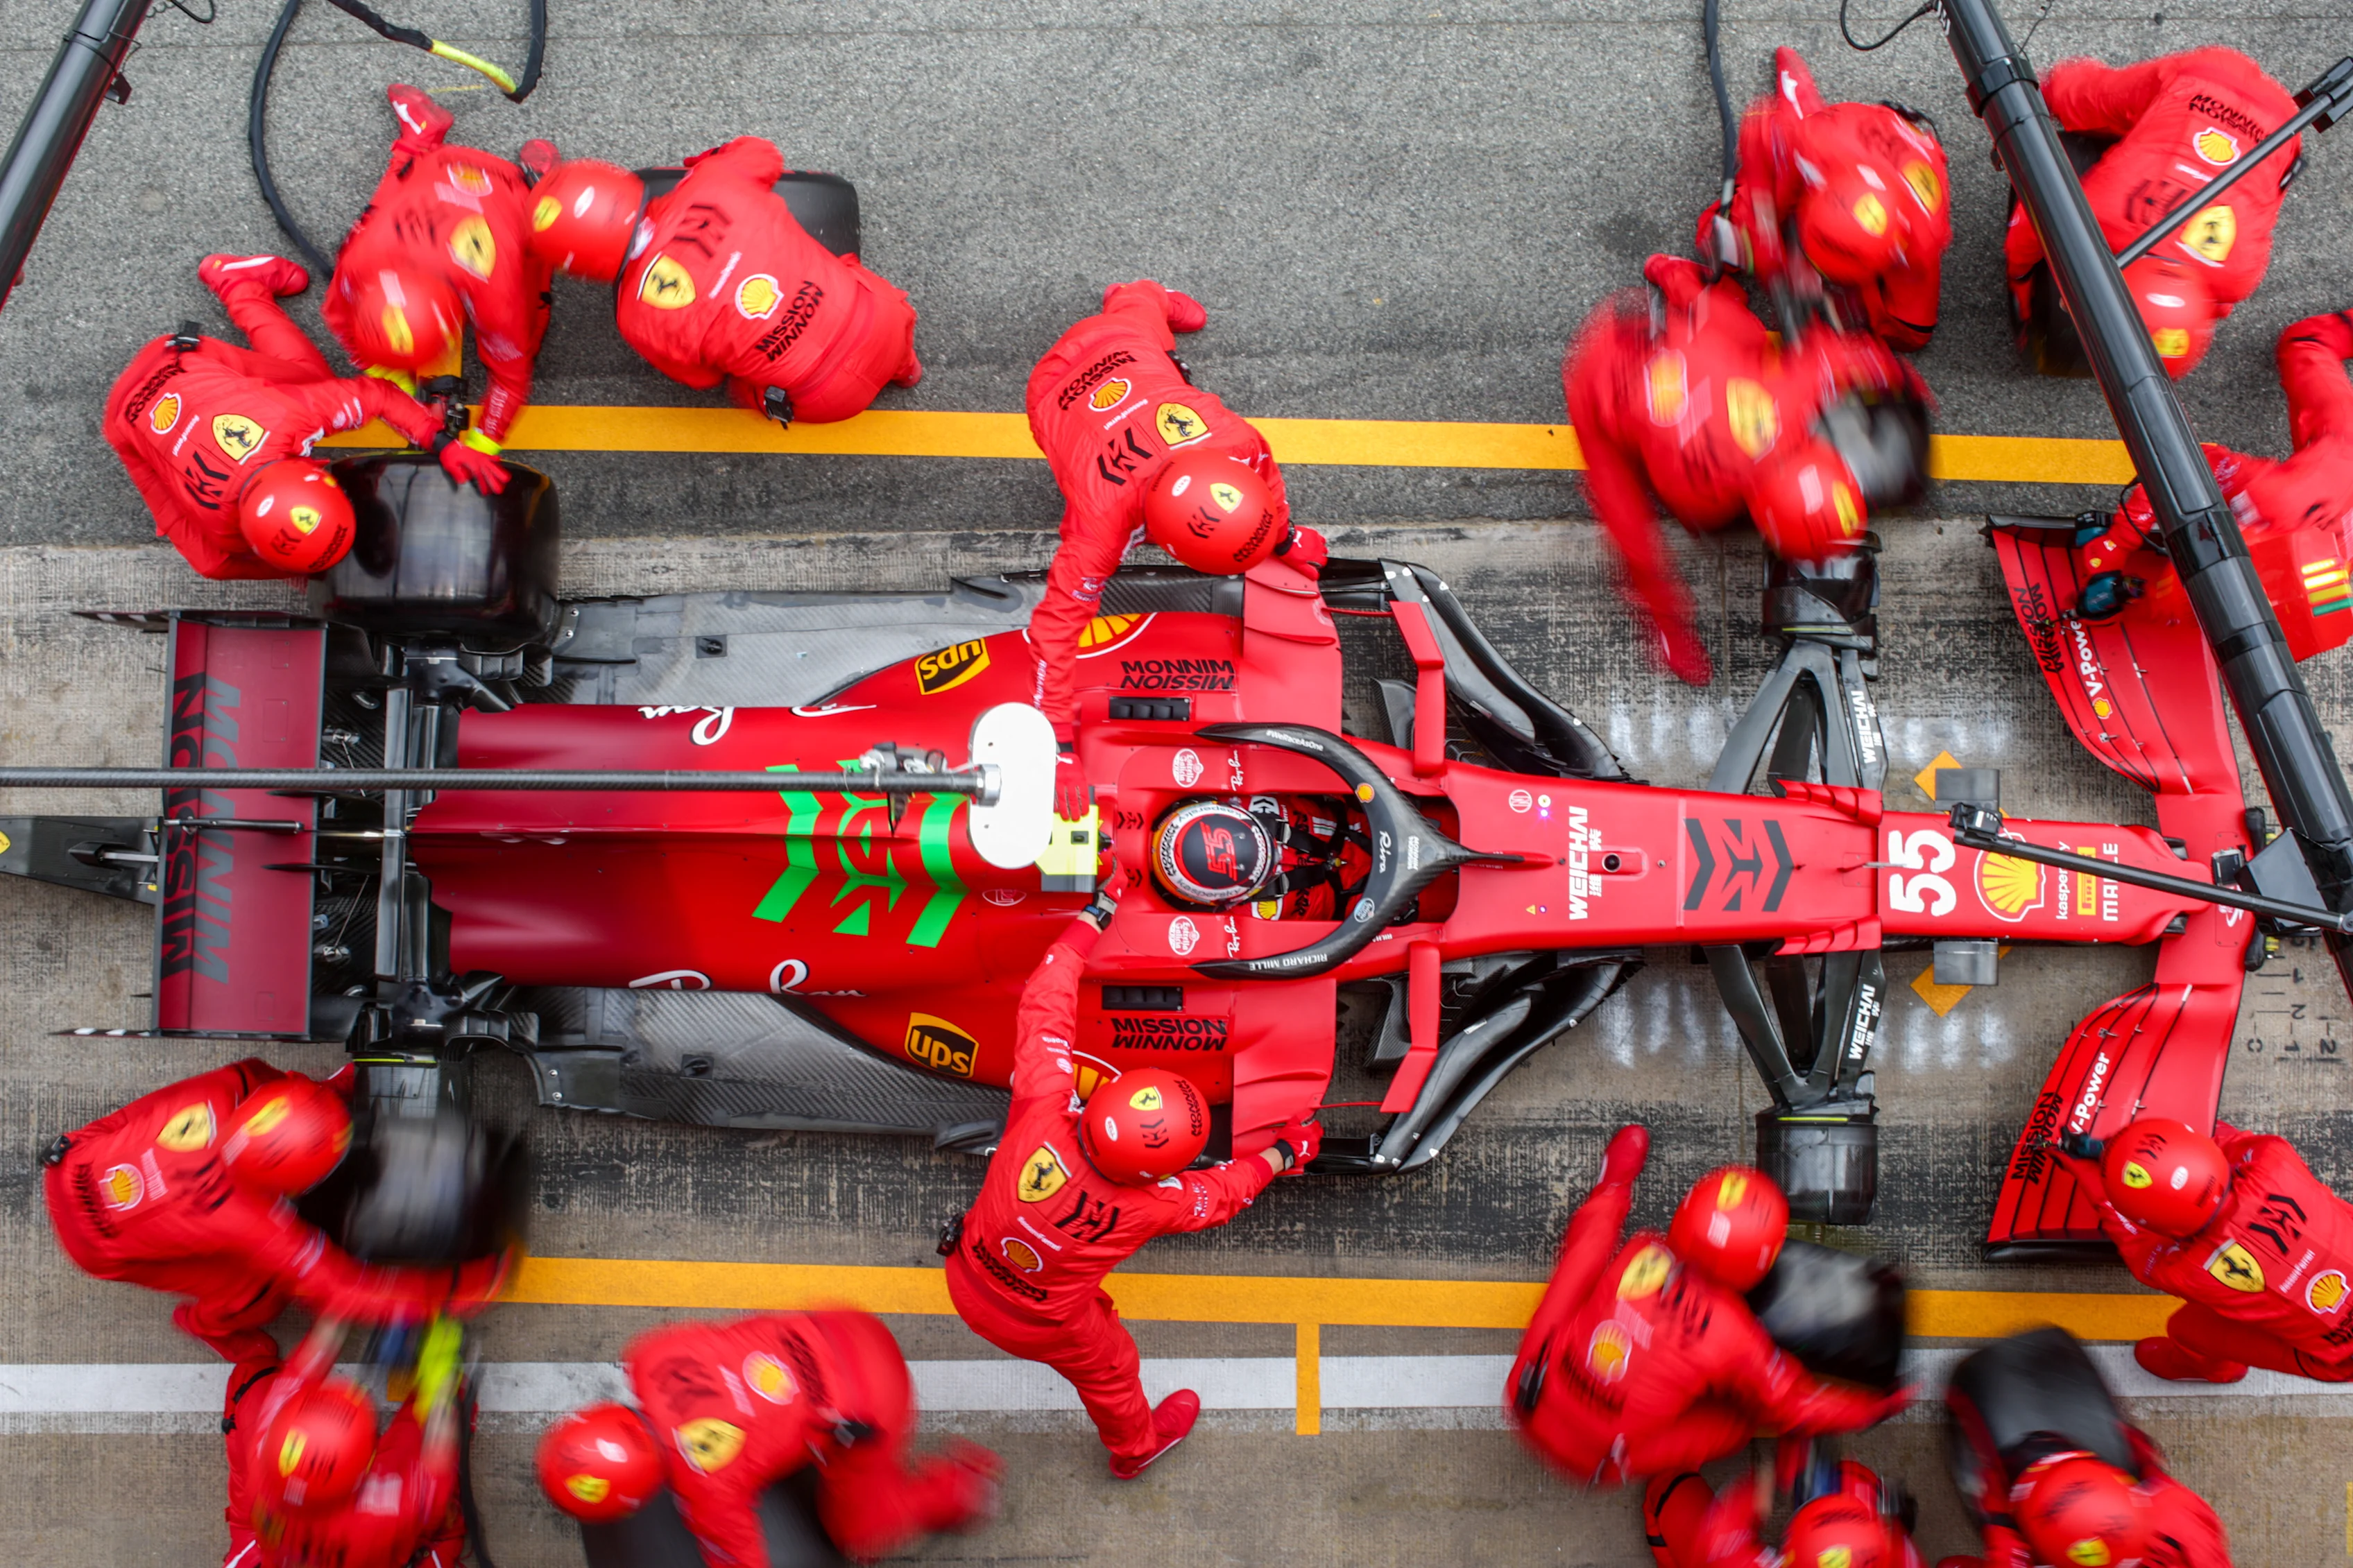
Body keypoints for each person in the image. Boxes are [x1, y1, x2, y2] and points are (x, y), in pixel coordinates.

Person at [942, 881, 1320, 1476]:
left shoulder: (1042, 1105)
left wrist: (1096, 912)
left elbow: (1045, 999)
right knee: (1113, 1371)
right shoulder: (1150, 1206)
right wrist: (1288, 1149)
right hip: (1045, 1325)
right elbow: (1224, 1193)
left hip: (966, 1277)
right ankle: (1135, 1451)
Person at [1564, 253, 1927, 684]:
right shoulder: (1699, 500)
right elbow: (1636, 549)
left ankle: (1678, 276)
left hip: (1675, 350)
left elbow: (1831, 359)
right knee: (1629, 501)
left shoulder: (1785, 405)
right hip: (1598, 382)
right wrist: (1671, 636)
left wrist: (1900, 379)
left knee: (1747, 336)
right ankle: (1679, 280)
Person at [1505, 1125, 1906, 1487]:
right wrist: (1871, 1409)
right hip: (1592, 1460)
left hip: (1526, 1394)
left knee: (1584, 1260)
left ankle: (1611, 1188)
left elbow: (1595, 1267)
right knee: (1738, 1424)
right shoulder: (1738, 1338)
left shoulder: (1642, 1251)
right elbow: (1795, 1405)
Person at [1025, 279, 1327, 758]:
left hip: (1127, 341)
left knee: (1140, 306)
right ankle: (1136, 295)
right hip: (1053, 390)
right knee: (1134, 313)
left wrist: (1283, 535)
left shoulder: (1237, 441)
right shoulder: (1097, 525)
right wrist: (1055, 739)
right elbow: (1054, 629)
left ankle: (1143, 294)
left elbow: (1264, 480)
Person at [42, 1059, 509, 1363]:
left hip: (74, 1162)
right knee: (259, 1292)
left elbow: (264, 1075)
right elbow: (341, 1289)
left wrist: (330, 1091)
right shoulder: (256, 1221)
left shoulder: (227, 1089)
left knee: (131, 1125)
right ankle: (208, 1325)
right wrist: (456, 1290)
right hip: (99, 1247)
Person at [104, 254, 507, 580]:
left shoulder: (287, 419)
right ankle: (235, 281)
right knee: (310, 382)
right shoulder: (225, 530)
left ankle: (237, 281)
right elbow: (210, 565)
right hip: (122, 420)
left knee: (313, 381)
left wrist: (439, 441)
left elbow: (377, 396)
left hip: (174, 365)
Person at [536, 1309, 999, 1564]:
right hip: (841, 1324)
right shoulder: (650, 1351)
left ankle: (963, 1488)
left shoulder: (710, 1490)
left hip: (875, 1400)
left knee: (860, 1533)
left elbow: (742, 1559)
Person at [570, 137, 924, 429]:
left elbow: (703, 379)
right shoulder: (712, 182)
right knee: (845, 267)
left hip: (829, 401)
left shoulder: (634, 322)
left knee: (740, 388)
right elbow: (763, 152)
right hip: (886, 320)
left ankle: (892, 366)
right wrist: (708, 161)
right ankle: (907, 369)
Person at [2005, 46, 2300, 377]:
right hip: (2228, 95)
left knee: (2111, 111)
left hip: (2276, 121)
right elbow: (2032, 221)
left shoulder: (2239, 274)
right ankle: (2046, 89)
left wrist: (2021, 276)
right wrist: (2019, 277)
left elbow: (2217, 302)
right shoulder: (2103, 215)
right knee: (2080, 96)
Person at [2073, 310, 2353, 649]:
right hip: (2334, 462)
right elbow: (2185, 465)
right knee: (2307, 343)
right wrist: (2118, 542)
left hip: (2323, 495)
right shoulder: (2273, 499)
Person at [322, 83, 553, 454]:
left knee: (529, 308)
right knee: (377, 215)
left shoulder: (495, 293)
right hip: (440, 166)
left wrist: (483, 445)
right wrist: (390, 375)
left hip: (508, 186)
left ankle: (542, 184)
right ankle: (420, 139)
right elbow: (341, 320)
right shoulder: (358, 264)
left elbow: (511, 378)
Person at [2053, 1114, 2353, 1384]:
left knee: (2186, 1328)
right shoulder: (2273, 1160)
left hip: (2337, 1358)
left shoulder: (2189, 1272)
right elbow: (2219, 1136)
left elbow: (2138, 1244)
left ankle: (2219, 1370)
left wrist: (2090, 1173)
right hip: (2339, 1338)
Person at [1699, 46, 1953, 349]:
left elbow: (1914, 330)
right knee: (1725, 232)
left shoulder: (1923, 243)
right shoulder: (1815, 143)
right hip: (1844, 134)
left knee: (1909, 332)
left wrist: (1844, 307)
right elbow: (1758, 129)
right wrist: (1770, 250)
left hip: (1892, 148)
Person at [222, 1316, 469, 1568]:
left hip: (281, 1547)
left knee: (251, 1378)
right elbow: (438, 1455)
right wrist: (441, 1375)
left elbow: (302, 1369)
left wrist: (347, 1300)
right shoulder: (389, 1513)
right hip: (374, 1547)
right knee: (449, 1406)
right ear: (366, 1474)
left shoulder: (265, 1457)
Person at [1942, 1440, 2234, 1566]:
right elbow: (2155, 1479)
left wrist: (1998, 1522)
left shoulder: (2178, 1504)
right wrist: (2147, 1464)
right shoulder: (2178, 1506)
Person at [1644, 1456, 1922, 1567]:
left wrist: (1757, 1487)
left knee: (1666, 1487)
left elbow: (1719, 1543)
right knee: (1854, 1481)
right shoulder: (1905, 1556)